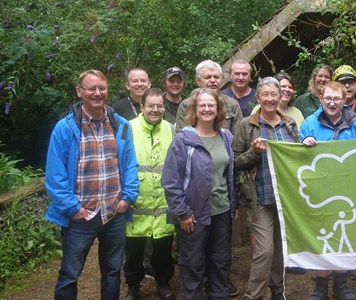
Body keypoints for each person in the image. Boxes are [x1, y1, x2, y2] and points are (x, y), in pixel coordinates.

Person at [45, 69, 139, 299]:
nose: (97, 93)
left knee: (112, 272)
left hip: (113, 213)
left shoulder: (122, 125)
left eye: (102, 88)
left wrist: (128, 197)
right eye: (91, 89)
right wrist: (72, 208)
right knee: (70, 273)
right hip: (80, 215)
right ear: (80, 92)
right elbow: (55, 175)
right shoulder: (65, 128)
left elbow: (130, 166)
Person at [162, 88, 237, 299]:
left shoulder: (226, 137)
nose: (206, 109)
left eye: (211, 105)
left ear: (218, 109)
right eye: (201, 105)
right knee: (193, 264)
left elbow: (228, 174)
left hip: (222, 211)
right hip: (193, 215)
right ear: (194, 109)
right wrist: (182, 212)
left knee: (221, 262)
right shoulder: (184, 139)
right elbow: (170, 180)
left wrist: (233, 203)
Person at [234, 77, 298, 300]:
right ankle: (253, 295)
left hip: (286, 199)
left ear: (280, 96)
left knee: (280, 249)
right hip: (260, 197)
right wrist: (254, 153)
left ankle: (278, 291)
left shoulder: (289, 124)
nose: (270, 99)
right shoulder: (246, 125)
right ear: (258, 98)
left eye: (274, 94)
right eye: (265, 95)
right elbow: (234, 161)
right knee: (264, 251)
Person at [300, 81, 356, 300]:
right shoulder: (309, 123)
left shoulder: (355, 122)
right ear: (320, 98)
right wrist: (303, 141)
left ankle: (341, 284)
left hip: (348, 190)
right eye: (327, 98)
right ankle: (320, 286)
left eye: (337, 99)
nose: (332, 102)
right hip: (319, 192)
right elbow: (297, 155)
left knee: (344, 237)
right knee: (322, 238)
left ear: (345, 100)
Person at [124, 88, 176, 300]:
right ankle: (133, 287)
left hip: (164, 202)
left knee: (163, 249)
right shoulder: (128, 128)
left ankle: (163, 283)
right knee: (133, 251)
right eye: (151, 105)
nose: (155, 110)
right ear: (141, 107)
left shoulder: (172, 129)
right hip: (136, 203)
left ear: (164, 107)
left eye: (159, 105)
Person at [175, 60, 243, 133]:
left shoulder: (232, 105)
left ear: (222, 79)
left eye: (216, 77)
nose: (213, 80)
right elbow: (181, 137)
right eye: (207, 77)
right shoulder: (186, 105)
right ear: (198, 81)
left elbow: (238, 138)